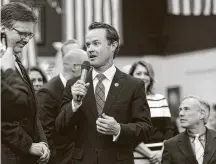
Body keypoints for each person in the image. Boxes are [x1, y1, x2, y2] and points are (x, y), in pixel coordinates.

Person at [55, 22, 152, 164]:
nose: (90, 49)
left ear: (113, 45)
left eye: (96, 43)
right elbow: (60, 128)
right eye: (88, 45)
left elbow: (145, 128)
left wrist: (119, 129)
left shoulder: (133, 85)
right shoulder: (74, 84)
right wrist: (74, 104)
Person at [1, 2, 50, 164]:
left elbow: (31, 112)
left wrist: (42, 143)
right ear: (2, 29)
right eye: (22, 33)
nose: (27, 40)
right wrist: (28, 145)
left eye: (30, 35)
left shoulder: (15, 61)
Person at [37, 47, 88, 164]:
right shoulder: (47, 92)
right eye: (87, 67)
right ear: (75, 67)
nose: (91, 71)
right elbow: (45, 134)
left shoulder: (82, 88)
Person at [129, 61, 174, 164]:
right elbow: (129, 135)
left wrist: (161, 154)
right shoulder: (126, 101)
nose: (143, 77)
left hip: (162, 157)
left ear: (151, 77)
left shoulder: (160, 99)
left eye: (146, 73)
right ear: (131, 76)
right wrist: (150, 155)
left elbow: (169, 130)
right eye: (138, 73)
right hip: (138, 158)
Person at [162, 96, 216, 164]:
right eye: (180, 109)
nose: (181, 113)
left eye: (186, 109)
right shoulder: (170, 145)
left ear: (201, 114)